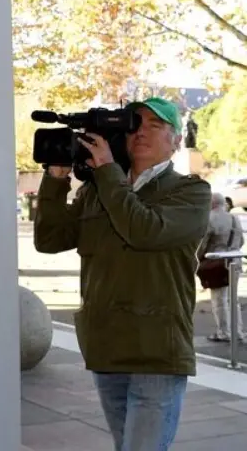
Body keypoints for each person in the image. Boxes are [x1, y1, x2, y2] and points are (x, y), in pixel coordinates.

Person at [34, 97, 211, 450]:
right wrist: (55, 179)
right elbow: (49, 239)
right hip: (107, 347)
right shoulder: (99, 189)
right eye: (135, 126)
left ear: (176, 141)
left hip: (156, 352)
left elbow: (143, 230)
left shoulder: (191, 192)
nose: (141, 132)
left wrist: (106, 171)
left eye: (155, 126)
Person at [197, 192, 245, 342]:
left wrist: (198, 260)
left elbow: (202, 245)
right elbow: (241, 241)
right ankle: (237, 331)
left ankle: (224, 332)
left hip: (216, 263)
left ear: (211, 203)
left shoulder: (209, 219)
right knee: (233, 299)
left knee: (219, 300)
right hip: (235, 261)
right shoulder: (234, 218)